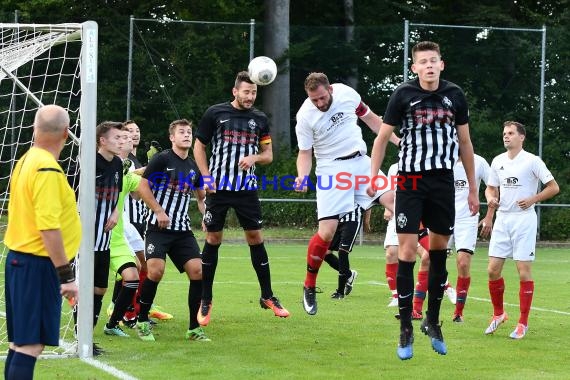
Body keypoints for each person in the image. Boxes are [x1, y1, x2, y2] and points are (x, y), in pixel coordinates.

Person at [367, 41, 479, 359]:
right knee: (405, 251)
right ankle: (405, 327)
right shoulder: (403, 94)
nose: (428, 65)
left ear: (441, 64)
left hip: (443, 182)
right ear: (414, 67)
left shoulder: (454, 95)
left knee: (439, 251)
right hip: (411, 181)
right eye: (422, 62)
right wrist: (373, 178)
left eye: (433, 60)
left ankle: (433, 320)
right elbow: (382, 137)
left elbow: (466, 142)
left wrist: (472, 188)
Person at [193, 71, 290, 326]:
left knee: (255, 237)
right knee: (213, 238)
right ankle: (206, 299)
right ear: (235, 91)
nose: (250, 97)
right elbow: (199, 146)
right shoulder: (215, 113)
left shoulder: (259, 119)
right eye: (246, 92)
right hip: (218, 189)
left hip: (246, 189)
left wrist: (254, 158)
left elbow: (268, 154)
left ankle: (268, 295)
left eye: (254, 92)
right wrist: (205, 176)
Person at [294, 72, 394, 316]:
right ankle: (309, 285)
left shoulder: (347, 94)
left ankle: (432, 274)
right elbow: (305, 153)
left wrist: (399, 141)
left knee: (396, 200)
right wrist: (302, 176)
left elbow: (373, 121)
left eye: (321, 98)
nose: (318, 104)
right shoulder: (305, 116)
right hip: (330, 168)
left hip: (360, 161)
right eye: (313, 100)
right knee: (327, 232)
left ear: (330, 89)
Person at [4, 105, 81, 379]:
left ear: (34, 130)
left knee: (21, 343)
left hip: (21, 260)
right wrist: (66, 275)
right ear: (67, 133)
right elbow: (48, 226)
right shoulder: (47, 168)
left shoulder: (27, 159)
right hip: (36, 264)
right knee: (30, 345)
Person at [135, 119, 209, 342]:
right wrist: (158, 211)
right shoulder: (162, 159)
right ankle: (142, 321)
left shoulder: (193, 167)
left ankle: (194, 328)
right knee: (155, 271)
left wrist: (207, 215)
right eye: (181, 132)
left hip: (182, 231)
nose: (186, 135)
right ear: (172, 137)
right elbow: (142, 185)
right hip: (158, 227)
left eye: (189, 132)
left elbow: (201, 197)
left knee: (198, 271)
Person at [484, 121, 558, 339]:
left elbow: (553, 187)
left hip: (524, 220)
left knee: (523, 272)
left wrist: (533, 198)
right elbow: (490, 187)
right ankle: (499, 314)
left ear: (521, 137)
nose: (506, 136)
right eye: (504, 133)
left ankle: (522, 323)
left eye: (510, 133)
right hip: (503, 219)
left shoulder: (532, 161)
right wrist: (491, 199)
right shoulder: (497, 161)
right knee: (492, 270)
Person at [449, 153, 495, 323]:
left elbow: (493, 186)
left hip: (467, 218)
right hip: (442, 215)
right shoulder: (442, 157)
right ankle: (417, 310)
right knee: (428, 260)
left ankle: (458, 312)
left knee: (463, 262)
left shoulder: (479, 161)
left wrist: (489, 217)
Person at [323, 205, 363, 299]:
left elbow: (368, 202)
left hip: (352, 219)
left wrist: (366, 221)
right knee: (325, 253)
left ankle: (340, 292)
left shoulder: (360, 190)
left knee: (342, 252)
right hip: (336, 220)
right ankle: (349, 274)